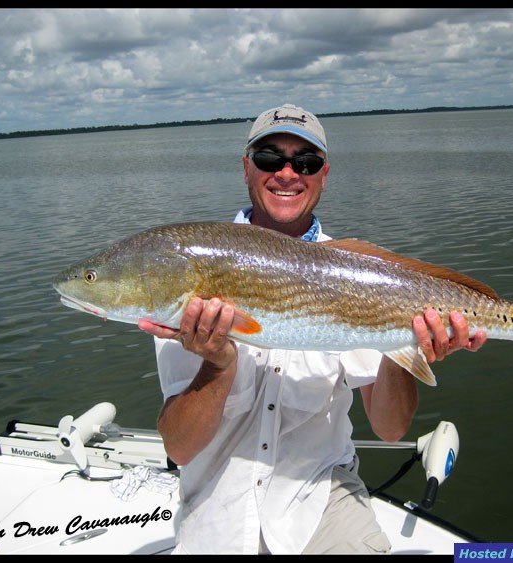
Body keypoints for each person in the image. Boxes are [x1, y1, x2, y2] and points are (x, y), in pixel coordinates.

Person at [138, 103, 487, 554]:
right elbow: (180, 450)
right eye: (269, 158)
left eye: (305, 162)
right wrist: (218, 366)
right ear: (246, 168)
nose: (287, 173)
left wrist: (405, 346)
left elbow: (389, 429)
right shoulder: (192, 273)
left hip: (321, 499)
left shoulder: (357, 273)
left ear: (323, 175)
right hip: (216, 508)